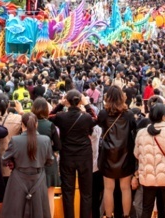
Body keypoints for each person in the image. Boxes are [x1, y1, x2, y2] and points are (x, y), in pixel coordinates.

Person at [51, 89, 95, 218]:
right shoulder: (86, 117)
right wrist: (87, 105)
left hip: (67, 155)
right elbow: (95, 119)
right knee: (86, 192)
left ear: (67, 101)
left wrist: (60, 104)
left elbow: (47, 116)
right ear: (80, 101)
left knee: (68, 192)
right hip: (85, 156)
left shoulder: (60, 117)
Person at [1, 112, 54, 218]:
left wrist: (13, 163)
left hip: (18, 179)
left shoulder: (15, 140)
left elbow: (4, 160)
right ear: (37, 124)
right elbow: (50, 161)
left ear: (22, 125)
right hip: (38, 178)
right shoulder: (45, 140)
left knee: (15, 211)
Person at [96, 85, 137, 218]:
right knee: (125, 188)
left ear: (108, 98)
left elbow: (98, 124)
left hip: (108, 155)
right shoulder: (129, 114)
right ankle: (126, 215)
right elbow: (134, 130)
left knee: (108, 189)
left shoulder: (103, 114)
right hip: (125, 154)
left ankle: (109, 216)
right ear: (122, 97)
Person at [32, 97, 61, 218]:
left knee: (35, 196)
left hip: (33, 162)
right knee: (50, 195)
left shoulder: (30, 124)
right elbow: (58, 145)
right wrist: (52, 151)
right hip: (49, 162)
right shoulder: (50, 125)